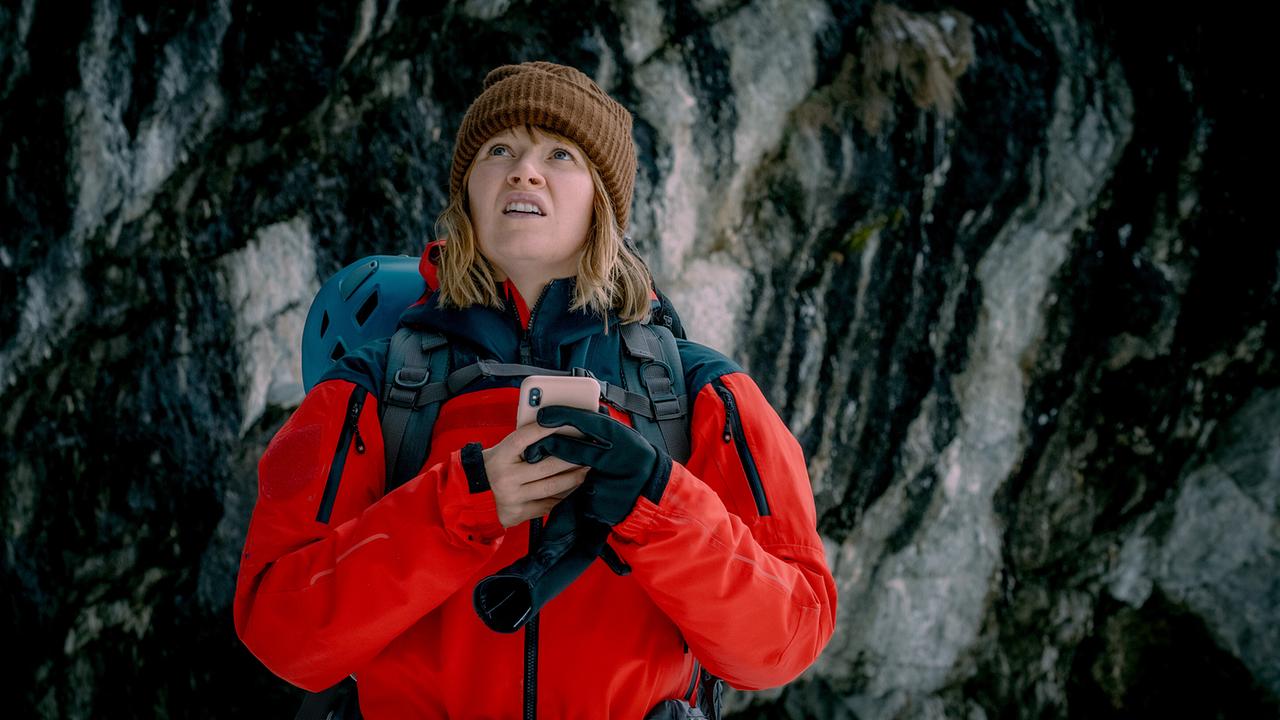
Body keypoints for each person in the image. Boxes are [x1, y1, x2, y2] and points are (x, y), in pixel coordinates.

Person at [234, 61, 836, 719]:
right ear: (467, 192)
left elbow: (785, 641)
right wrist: (459, 508)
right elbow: (281, 634)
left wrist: (659, 504)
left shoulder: (701, 392)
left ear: (601, 202)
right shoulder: (372, 389)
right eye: (499, 151)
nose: (524, 170)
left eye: (560, 154)